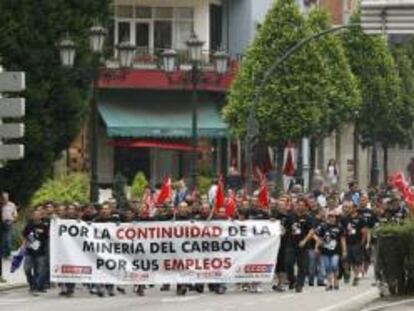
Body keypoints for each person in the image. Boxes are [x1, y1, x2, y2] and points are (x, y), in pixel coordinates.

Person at [285, 198, 316, 293]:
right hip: (291, 244)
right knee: (288, 263)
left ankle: (299, 284)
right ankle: (292, 280)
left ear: (306, 207)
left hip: (303, 245)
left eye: (302, 205)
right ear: (296, 205)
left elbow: (311, 231)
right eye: (299, 205)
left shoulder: (309, 218)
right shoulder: (290, 216)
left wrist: (304, 240)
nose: (300, 207)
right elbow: (284, 228)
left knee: (302, 266)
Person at [315, 212, 347, 291]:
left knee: (334, 265)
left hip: (335, 251)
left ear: (336, 218)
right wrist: (316, 247)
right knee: (327, 267)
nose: (332, 218)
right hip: (325, 250)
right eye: (330, 216)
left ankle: (336, 280)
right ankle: (329, 283)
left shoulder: (339, 227)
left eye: (333, 216)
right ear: (327, 217)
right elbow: (319, 238)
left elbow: (342, 239)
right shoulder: (323, 226)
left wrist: (344, 250)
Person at [22, 209, 49, 295]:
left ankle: (38, 286)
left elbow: (48, 237)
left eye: (38, 214)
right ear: (32, 216)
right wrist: (24, 243)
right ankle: (32, 284)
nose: (36, 216)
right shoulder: (29, 225)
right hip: (30, 251)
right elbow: (23, 235)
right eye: (35, 214)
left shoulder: (45, 226)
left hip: (41, 252)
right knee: (27, 269)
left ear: (41, 216)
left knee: (41, 271)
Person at [1, 192, 18, 258]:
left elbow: (15, 215)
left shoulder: (12, 205)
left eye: (6, 197)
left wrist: (12, 221)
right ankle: (3, 254)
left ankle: (8, 254)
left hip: (9, 223)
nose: (5, 198)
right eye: (4, 197)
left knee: (8, 239)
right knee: (2, 240)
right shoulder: (1, 205)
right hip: (1, 223)